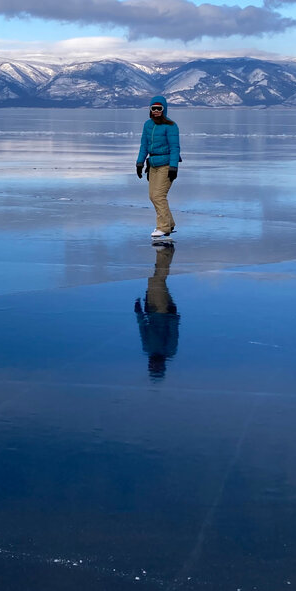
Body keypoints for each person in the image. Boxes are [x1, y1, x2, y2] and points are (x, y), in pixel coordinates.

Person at [135, 94, 180, 239]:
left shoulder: (171, 126)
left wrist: (173, 167)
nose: (155, 111)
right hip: (153, 164)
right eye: (153, 108)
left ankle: (164, 227)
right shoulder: (148, 125)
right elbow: (144, 146)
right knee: (152, 196)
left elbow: (175, 148)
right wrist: (140, 163)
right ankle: (169, 223)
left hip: (166, 165)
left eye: (158, 108)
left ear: (164, 109)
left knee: (158, 196)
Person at [134, 243, 179, 379]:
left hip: (151, 309)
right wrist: (172, 316)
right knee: (157, 281)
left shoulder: (148, 350)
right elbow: (173, 333)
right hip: (163, 311)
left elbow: (143, 330)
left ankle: (167, 251)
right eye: (155, 368)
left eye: (151, 368)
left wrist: (139, 312)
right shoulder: (168, 351)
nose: (152, 366)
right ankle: (165, 251)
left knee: (155, 280)